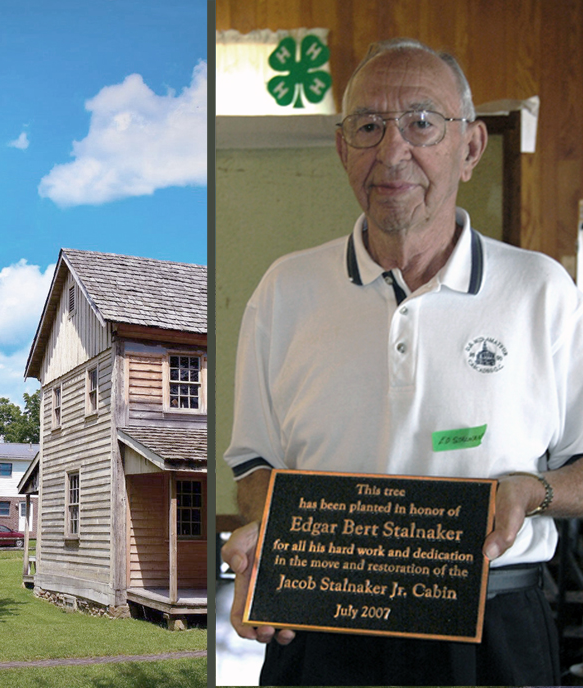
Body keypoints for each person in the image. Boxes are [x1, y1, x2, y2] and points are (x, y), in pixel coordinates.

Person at [221, 37, 583, 685]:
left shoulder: (543, 289)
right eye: (368, 126)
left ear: (470, 147)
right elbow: (253, 471)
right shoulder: (286, 288)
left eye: (422, 123)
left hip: (493, 631)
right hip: (320, 628)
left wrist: (535, 491)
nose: (393, 151)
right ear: (342, 150)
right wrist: (264, 537)